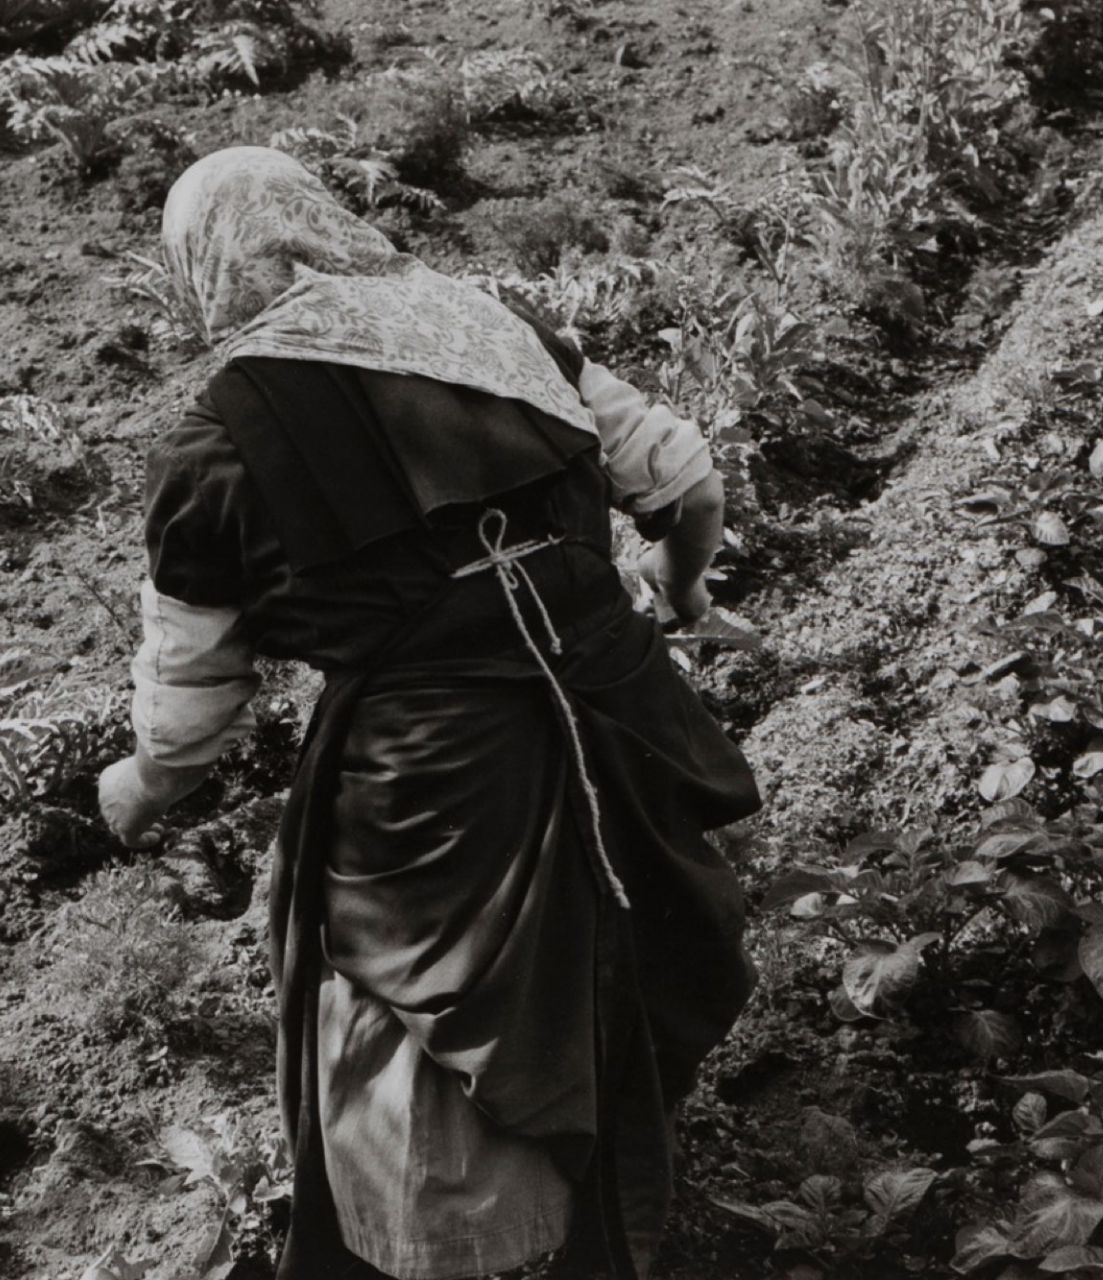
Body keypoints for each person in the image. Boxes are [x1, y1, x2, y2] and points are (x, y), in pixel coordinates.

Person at [97, 147, 759, 1280]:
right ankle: (602, 1216)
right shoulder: (493, 329)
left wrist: (132, 792)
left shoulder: (220, 442)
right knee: (613, 950)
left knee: (410, 1025)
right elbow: (688, 484)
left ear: (206, 270)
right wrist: (683, 592)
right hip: (614, 697)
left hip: (437, 775)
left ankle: (471, 1255)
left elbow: (189, 713)